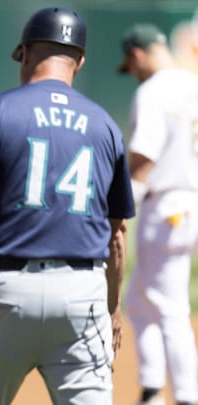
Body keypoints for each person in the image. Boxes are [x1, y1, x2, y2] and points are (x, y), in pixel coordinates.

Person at [0, 7, 135, 405]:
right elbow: (116, 235)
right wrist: (111, 309)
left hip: (7, 292)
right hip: (83, 296)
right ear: (79, 60)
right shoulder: (105, 125)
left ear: (24, 53)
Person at [117, 23, 198, 405]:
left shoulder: (152, 92)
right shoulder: (193, 84)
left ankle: (186, 395)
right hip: (189, 202)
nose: (132, 74)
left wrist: (118, 210)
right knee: (138, 300)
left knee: (169, 307)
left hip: (165, 205)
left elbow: (144, 161)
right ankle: (151, 389)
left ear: (137, 55)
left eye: (130, 66)